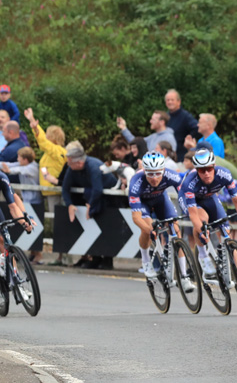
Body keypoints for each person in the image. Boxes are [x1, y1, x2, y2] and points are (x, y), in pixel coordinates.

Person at [177, 149, 237, 283]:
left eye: (209, 169)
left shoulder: (224, 174)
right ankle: (203, 256)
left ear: (214, 166)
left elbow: (236, 200)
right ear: (196, 170)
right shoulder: (189, 182)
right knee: (202, 220)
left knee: (226, 233)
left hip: (209, 197)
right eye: (202, 170)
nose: (206, 173)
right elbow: (194, 215)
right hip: (190, 200)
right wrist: (201, 229)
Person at [128, 151, 194, 287]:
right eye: (150, 173)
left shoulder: (171, 175)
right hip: (143, 203)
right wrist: (149, 230)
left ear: (163, 170)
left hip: (160, 200)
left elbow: (182, 194)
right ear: (144, 171)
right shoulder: (136, 182)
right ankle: (146, 261)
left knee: (176, 230)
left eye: (158, 173)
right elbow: (136, 218)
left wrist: (188, 211)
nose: (154, 178)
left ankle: (184, 276)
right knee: (147, 229)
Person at [62, 141, 119, 269]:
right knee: (92, 227)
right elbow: (65, 188)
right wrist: (69, 204)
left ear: (79, 162)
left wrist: (91, 205)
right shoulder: (72, 169)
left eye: (70, 163)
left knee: (106, 227)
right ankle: (95, 257)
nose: (68, 165)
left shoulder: (94, 166)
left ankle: (107, 259)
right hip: (94, 197)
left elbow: (98, 188)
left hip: (109, 199)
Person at [24, 108, 67, 265]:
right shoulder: (50, 152)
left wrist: (34, 126)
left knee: (58, 223)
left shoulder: (57, 151)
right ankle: (60, 256)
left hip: (54, 192)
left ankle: (62, 256)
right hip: (47, 192)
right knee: (53, 223)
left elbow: (42, 143)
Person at [2, 146, 41, 262]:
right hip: (27, 199)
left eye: (19, 157)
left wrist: (24, 219)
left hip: (32, 200)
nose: (17, 159)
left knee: (4, 241)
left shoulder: (31, 168)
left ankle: (13, 273)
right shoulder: (22, 165)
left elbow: (14, 200)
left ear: (25, 158)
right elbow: (11, 165)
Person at [164, 89, 199, 162]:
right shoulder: (165, 117)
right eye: (168, 100)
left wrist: (186, 140)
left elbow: (197, 129)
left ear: (178, 101)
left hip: (181, 158)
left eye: (172, 100)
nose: (170, 102)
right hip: (168, 158)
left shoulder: (185, 116)